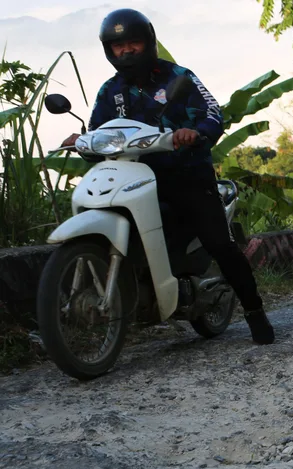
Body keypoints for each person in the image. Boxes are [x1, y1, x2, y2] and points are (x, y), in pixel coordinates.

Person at [62, 8, 275, 345]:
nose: (127, 50)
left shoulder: (179, 78)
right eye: (119, 46)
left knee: (219, 242)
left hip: (185, 175)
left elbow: (213, 113)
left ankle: (254, 310)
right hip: (132, 179)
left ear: (148, 42)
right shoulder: (109, 92)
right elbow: (99, 132)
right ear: (109, 50)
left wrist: (194, 132)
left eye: (133, 42)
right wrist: (81, 141)